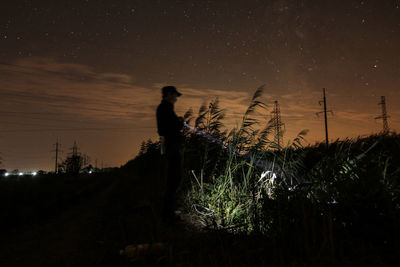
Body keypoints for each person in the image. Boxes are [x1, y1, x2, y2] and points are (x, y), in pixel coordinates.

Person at [156, 86, 184, 222]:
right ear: (168, 94)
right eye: (175, 95)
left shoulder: (165, 108)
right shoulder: (165, 108)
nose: (176, 98)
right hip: (172, 147)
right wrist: (179, 122)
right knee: (174, 178)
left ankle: (169, 211)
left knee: (173, 179)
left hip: (171, 146)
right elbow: (170, 127)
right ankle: (168, 214)